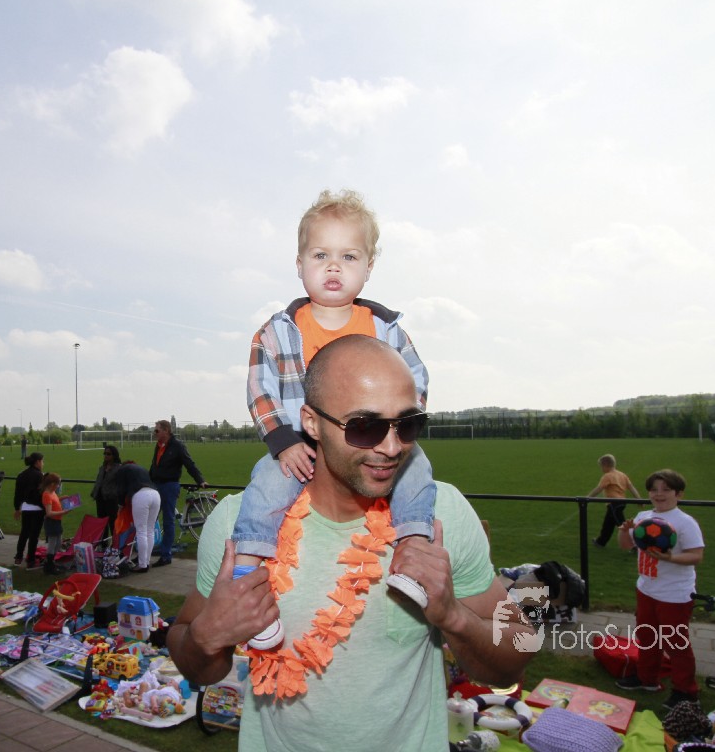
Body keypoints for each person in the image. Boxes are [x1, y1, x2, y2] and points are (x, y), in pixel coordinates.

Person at [167, 336, 534, 751]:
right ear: (311, 423)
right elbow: (197, 665)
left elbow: (516, 657)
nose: (392, 447)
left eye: (408, 424)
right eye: (364, 427)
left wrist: (453, 616)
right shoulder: (240, 526)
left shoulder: (440, 514)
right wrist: (205, 637)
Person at [239, 188, 435, 650]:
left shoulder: (386, 329)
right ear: (299, 264)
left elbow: (416, 378)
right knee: (265, 487)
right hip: (300, 444)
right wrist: (282, 440)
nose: (333, 267)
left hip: (374, 437)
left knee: (417, 470)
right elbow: (260, 388)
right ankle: (245, 581)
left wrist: (395, 423)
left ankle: (414, 555)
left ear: (368, 267)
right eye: (320, 255)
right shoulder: (278, 331)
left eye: (348, 256)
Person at [616, 469, 705, 710]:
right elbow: (625, 546)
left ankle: (686, 692)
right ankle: (647, 679)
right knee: (647, 636)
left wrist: (670, 558)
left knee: (675, 643)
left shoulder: (685, 522)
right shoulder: (643, 516)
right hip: (646, 589)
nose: (659, 494)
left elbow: (696, 555)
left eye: (666, 489)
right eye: (654, 489)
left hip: (674, 594)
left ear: (679, 494)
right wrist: (624, 531)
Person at [149, 419, 207, 567]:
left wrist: (200, 480)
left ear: (166, 430)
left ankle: (165, 555)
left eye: (157, 430)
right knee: (150, 520)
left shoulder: (177, 446)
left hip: (169, 486)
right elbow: (154, 466)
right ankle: (145, 553)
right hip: (156, 486)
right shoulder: (158, 446)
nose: (155, 433)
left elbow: (189, 463)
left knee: (168, 521)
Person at [110, 462, 160, 574]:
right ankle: (146, 561)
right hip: (155, 495)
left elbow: (121, 490)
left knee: (141, 531)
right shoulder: (140, 469)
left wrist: (120, 506)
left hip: (141, 496)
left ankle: (142, 565)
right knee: (150, 530)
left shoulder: (121, 471)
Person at [589, 454, 641, 547]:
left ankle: (635, 544)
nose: (601, 469)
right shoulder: (622, 475)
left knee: (623, 525)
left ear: (605, 465)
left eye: (601, 466)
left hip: (614, 503)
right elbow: (631, 487)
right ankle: (601, 542)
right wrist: (639, 499)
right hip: (621, 503)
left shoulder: (607, 476)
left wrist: (588, 497)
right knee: (608, 524)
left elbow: (599, 488)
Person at [13, 453, 45, 568]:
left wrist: (17, 508)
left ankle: (18, 556)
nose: (43, 464)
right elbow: (41, 494)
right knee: (34, 535)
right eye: (42, 461)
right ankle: (31, 560)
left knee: (24, 533)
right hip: (37, 508)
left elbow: (17, 493)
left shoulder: (22, 474)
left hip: (26, 507)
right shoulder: (40, 475)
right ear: (37, 462)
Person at [40, 473, 66, 574]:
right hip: (52, 522)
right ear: (52, 484)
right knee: (53, 543)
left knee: (58, 543)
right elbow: (49, 513)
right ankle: (49, 565)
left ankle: (51, 562)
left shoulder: (52, 492)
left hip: (57, 521)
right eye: (57, 484)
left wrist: (61, 499)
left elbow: (54, 502)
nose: (58, 486)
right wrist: (63, 512)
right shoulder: (46, 494)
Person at [91, 445, 122, 526]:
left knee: (113, 523)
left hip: (111, 500)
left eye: (108, 454)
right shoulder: (102, 467)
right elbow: (99, 481)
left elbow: (121, 484)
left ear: (114, 455)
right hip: (100, 499)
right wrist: (94, 492)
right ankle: (103, 535)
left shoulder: (119, 468)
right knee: (102, 524)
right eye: (104, 453)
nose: (106, 455)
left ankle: (114, 535)